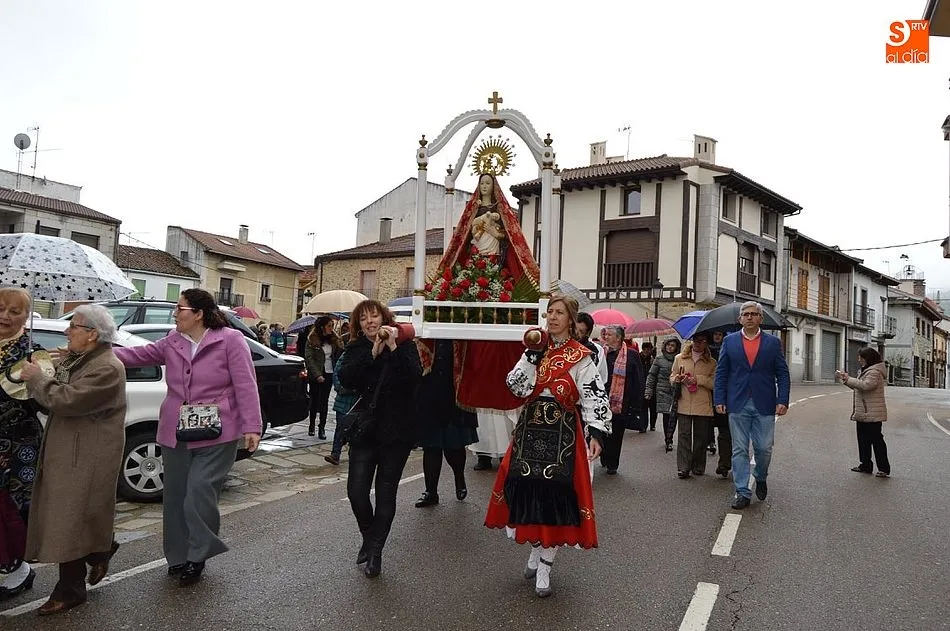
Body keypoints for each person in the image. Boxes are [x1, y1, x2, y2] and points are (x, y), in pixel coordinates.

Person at [113, 288, 262, 585]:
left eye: (180, 309)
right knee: (176, 497)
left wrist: (252, 426)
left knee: (199, 492)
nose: (174, 314)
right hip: (176, 432)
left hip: (218, 431)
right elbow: (136, 355)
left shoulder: (230, 340)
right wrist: (95, 351)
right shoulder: (173, 340)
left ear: (199, 314)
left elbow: (246, 384)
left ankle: (198, 555)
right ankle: (178, 556)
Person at [485, 295, 611, 599]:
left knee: (556, 498)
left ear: (571, 319)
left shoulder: (581, 355)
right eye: (550, 312)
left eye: (559, 313)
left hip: (562, 434)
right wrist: (531, 357)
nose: (552, 317)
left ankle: (545, 562)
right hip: (529, 431)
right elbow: (516, 386)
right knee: (526, 490)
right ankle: (534, 550)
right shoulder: (534, 348)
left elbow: (594, 394)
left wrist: (596, 432)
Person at [21, 304, 126, 615]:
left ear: (92, 334)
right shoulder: (84, 358)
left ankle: (70, 589)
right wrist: (54, 363)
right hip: (72, 448)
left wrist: (38, 379)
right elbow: (63, 386)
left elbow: (67, 399)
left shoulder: (107, 367)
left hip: (89, 453)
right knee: (76, 514)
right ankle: (101, 548)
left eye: (74, 327)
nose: (67, 331)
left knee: (71, 516)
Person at [338, 300, 421, 578]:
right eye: (364, 319)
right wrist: (371, 355)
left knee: (386, 493)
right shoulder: (357, 348)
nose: (370, 322)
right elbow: (346, 379)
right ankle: (368, 535)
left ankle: (376, 552)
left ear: (384, 318)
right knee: (356, 492)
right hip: (366, 430)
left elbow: (413, 378)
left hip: (396, 431)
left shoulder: (405, 344)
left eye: (374, 316)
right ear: (358, 324)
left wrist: (393, 348)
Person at [714, 301, 791, 510]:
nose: (749, 317)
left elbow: (782, 373)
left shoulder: (772, 344)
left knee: (764, 448)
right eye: (745, 314)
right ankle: (742, 491)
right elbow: (721, 373)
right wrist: (719, 399)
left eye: (753, 314)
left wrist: (782, 400)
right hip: (737, 402)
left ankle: (761, 475)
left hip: (764, 403)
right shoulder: (729, 342)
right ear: (740, 319)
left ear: (760, 319)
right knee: (739, 449)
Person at [0, 288, 50, 602]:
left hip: (17, 446)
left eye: (15, 311)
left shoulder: (34, 353)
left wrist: (37, 378)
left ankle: (16, 571)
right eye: (1, 308)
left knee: (11, 509)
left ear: (26, 317)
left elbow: (46, 402)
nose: (6, 316)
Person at [413, 340, 478, 507]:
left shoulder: (460, 336)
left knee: (454, 445)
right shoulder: (423, 336)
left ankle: (459, 477)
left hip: (454, 395)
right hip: (429, 395)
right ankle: (431, 492)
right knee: (431, 446)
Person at [836, 347, 890, 477]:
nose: (859, 359)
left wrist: (849, 379)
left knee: (877, 441)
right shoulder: (867, 370)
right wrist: (846, 379)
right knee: (863, 440)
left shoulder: (875, 372)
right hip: (864, 412)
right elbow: (859, 386)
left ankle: (883, 468)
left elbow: (866, 386)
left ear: (868, 358)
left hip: (872, 413)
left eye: (861, 357)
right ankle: (865, 465)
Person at [670, 332, 717, 479]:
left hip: (703, 404)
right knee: (683, 436)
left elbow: (715, 384)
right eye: (695, 340)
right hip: (684, 402)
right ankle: (683, 468)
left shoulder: (712, 362)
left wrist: (698, 379)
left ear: (706, 344)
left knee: (700, 438)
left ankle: (698, 466)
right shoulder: (679, 358)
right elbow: (672, 376)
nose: (697, 343)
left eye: (701, 341)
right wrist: (677, 379)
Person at [600, 325, 645, 475]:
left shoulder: (631, 355)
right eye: (605, 335)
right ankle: (604, 455)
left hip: (621, 402)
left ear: (618, 338)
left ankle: (613, 463)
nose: (606, 337)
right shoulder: (602, 353)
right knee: (602, 430)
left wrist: (636, 404)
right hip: (602, 399)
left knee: (616, 433)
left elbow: (638, 380)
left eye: (609, 335)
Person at [304, 316, 343, 439]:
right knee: (314, 400)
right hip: (317, 374)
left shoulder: (333, 339)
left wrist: (338, 338)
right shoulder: (312, 339)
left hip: (329, 372)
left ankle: (322, 428)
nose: (331, 328)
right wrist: (317, 375)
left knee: (324, 402)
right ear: (322, 327)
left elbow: (341, 351)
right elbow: (309, 358)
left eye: (332, 325)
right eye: (329, 326)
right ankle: (311, 425)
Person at [646, 337, 682, 452]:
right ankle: (668, 439)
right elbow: (652, 376)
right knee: (667, 415)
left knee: (674, 416)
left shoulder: (680, 359)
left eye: (672, 345)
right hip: (662, 390)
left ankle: (670, 436)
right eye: (668, 345)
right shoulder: (659, 359)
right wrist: (648, 390)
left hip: (676, 390)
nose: (670, 347)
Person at [324, 347, 355, 466]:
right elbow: (336, 371)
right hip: (343, 398)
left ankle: (353, 454)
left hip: (356, 399)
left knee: (353, 429)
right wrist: (340, 387)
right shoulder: (346, 355)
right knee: (340, 427)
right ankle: (335, 454)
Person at [707, 331, 732, 477]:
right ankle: (724, 463)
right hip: (714, 394)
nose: (716, 337)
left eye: (719, 334)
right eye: (714, 334)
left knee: (730, 432)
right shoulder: (708, 353)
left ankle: (728, 461)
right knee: (723, 431)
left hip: (732, 396)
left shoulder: (731, 350)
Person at [576, 312, 608, 386]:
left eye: (581, 331)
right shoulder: (562, 345)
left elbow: (602, 377)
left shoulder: (596, 350)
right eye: (574, 329)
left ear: (588, 333)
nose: (576, 334)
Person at [639, 342, 657, 431]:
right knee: (643, 407)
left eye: (648, 349)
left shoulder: (653, 359)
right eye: (645, 349)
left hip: (653, 385)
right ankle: (643, 426)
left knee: (653, 407)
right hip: (642, 384)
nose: (646, 351)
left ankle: (652, 424)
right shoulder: (639, 358)